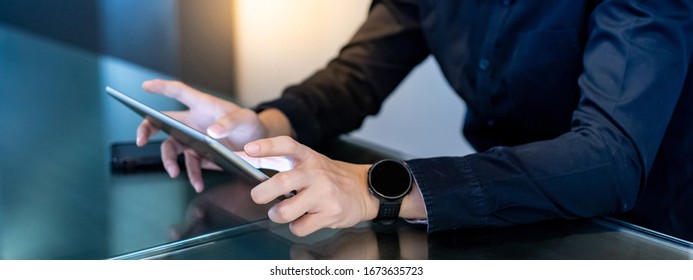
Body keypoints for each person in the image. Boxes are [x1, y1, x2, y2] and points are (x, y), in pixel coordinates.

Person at [136, 0, 693, 240]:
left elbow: (608, 160)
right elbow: (362, 69)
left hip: (643, 233)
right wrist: (266, 127)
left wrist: (375, 187)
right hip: (498, 219)